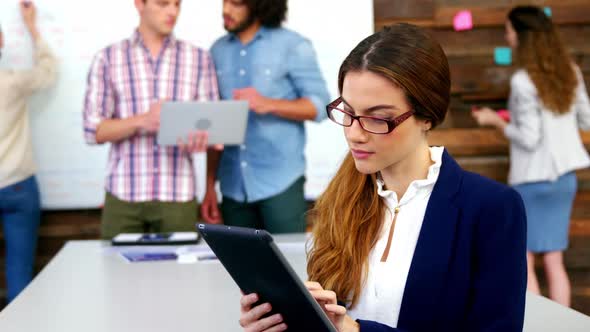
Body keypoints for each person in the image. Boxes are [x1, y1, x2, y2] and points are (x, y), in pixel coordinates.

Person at [238, 23, 527, 331]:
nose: (354, 134)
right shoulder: (341, 197)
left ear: (427, 115)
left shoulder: (491, 209)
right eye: (348, 112)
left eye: (377, 118)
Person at [473, 5, 590, 307]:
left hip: (532, 180)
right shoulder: (571, 72)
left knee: (523, 258)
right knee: (554, 259)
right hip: (564, 179)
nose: (506, 35)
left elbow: (529, 138)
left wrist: (496, 121)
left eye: (509, 30)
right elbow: (586, 120)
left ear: (523, 36)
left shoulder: (523, 81)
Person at [83, 0, 219, 239]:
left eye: (177, 5)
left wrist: (203, 139)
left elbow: (212, 128)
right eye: (163, 3)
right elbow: (93, 130)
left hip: (178, 194)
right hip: (123, 194)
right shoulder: (108, 58)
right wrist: (143, 121)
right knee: (116, 274)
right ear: (139, 4)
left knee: (180, 276)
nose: (172, 12)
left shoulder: (199, 59)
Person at [202, 0, 330, 233]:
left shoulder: (293, 46)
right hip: (232, 185)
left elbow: (321, 106)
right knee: (238, 265)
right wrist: (210, 185)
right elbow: (214, 126)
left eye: (236, 3)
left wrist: (269, 104)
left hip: (281, 181)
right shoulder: (216, 51)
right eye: (224, 2)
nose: (226, 10)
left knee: (288, 263)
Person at [0, 1, 57, 303]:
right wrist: (32, 27)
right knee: (19, 271)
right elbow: (48, 70)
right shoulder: (12, 81)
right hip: (18, 184)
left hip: (17, 185)